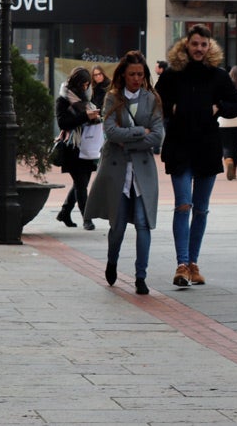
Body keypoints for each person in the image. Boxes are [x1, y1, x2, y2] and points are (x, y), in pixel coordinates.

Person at [155, 24, 237, 288]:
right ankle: (182, 264)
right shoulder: (172, 74)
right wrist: (172, 108)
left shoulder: (218, 75)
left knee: (201, 210)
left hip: (207, 146)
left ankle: (193, 263)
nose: (199, 49)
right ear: (186, 44)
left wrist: (218, 107)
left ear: (209, 46)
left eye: (203, 44)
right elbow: (156, 102)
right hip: (180, 146)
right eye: (195, 43)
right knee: (183, 205)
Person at [86, 51, 165, 295]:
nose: (136, 79)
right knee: (117, 225)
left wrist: (129, 140)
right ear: (123, 74)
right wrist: (142, 132)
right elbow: (110, 132)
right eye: (132, 74)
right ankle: (112, 262)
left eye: (140, 74)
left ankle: (141, 277)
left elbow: (158, 136)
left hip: (143, 171)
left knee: (143, 223)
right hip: (116, 170)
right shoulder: (113, 97)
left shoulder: (152, 99)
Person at [54, 67, 102, 230]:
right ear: (75, 83)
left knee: (80, 183)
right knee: (81, 185)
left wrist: (95, 118)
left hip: (87, 146)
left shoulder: (86, 98)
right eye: (83, 84)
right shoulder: (63, 99)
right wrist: (85, 116)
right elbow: (63, 123)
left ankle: (64, 212)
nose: (85, 87)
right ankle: (87, 219)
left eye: (87, 84)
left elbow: (88, 119)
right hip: (72, 146)